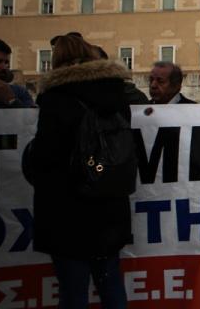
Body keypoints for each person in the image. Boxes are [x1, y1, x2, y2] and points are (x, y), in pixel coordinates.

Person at [27, 34, 131, 308]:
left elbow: (46, 155)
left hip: (68, 210)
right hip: (109, 201)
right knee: (111, 283)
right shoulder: (116, 93)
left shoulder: (56, 97)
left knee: (73, 291)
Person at [0, 36, 34, 108]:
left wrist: (12, 100)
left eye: (6, 62)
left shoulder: (19, 92)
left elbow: (30, 115)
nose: (4, 67)